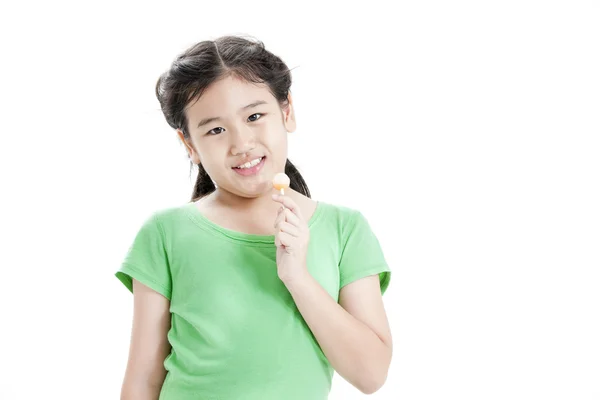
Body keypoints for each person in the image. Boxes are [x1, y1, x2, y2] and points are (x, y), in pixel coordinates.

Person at [115, 35, 392, 400]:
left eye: (255, 116)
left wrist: (297, 277)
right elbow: (142, 381)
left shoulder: (345, 229)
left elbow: (370, 375)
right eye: (215, 129)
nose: (241, 143)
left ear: (287, 111)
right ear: (189, 145)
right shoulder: (165, 234)